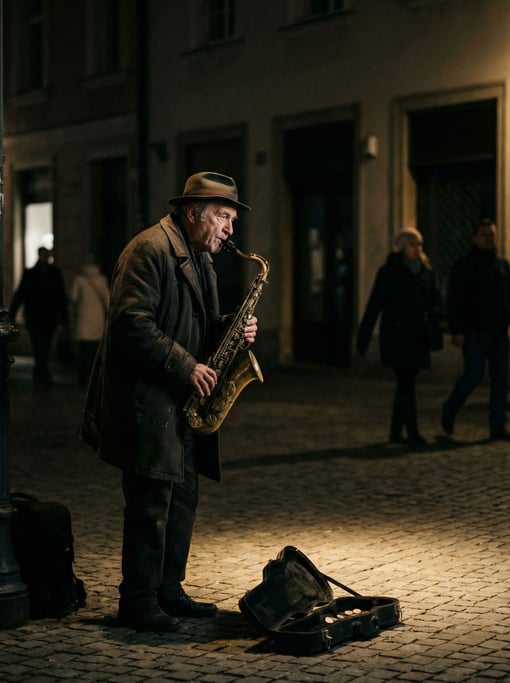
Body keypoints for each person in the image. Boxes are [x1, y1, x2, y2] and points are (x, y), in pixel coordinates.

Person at [80, 172, 258, 633]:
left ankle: (169, 588)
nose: (229, 229)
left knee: (182, 498)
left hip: (179, 404)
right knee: (149, 505)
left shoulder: (201, 258)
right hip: (149, 403)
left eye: (232, 220)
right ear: (193, 212)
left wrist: (232, 329)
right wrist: (185, 366)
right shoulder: (150, 249)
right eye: (223, 217)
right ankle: (137, 600)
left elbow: (193, 324)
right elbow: (130, 323)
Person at [356, 228, 443, 448]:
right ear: (401, 247)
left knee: (406, 384)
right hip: (397, 336)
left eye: (419, 245)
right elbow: (374, 304)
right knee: (406, 384)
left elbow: (436, 302)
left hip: (418, 336)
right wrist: (364, 336)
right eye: (412, 244)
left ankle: (396, 432)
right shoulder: (390, 272)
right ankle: (412, 432)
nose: (417, 249)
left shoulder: (426, 272)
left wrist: (438, 319)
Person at [441, 219, 510, 441]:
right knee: (474, 374)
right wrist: (457, 330)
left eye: (491, 234)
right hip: (474, 332)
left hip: (498, 332)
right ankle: (451, 407)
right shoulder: (464, 266)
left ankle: (497, 426)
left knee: (501, 379)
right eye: (484, 234)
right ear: (475, 238)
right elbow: (455, 300)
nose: (489, 238)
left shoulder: (502, 265)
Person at [10, 246, 69, 389]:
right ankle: (42, 374)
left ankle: (41, 374)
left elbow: (61, 298)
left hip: (45, 317)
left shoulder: (50, 273)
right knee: (39, 347)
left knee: (43, 347)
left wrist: (64, 319)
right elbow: (21, 294)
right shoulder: (36, 273)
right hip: (38, 317)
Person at [69, 253, 110, 387]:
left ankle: (84, 378)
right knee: (95, 353)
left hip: (83, 321)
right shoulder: (102, 280)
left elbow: (73, 299)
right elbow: (108, 302)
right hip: (98, 322)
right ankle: (93, 380)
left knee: (84, 352)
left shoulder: (79, 280)